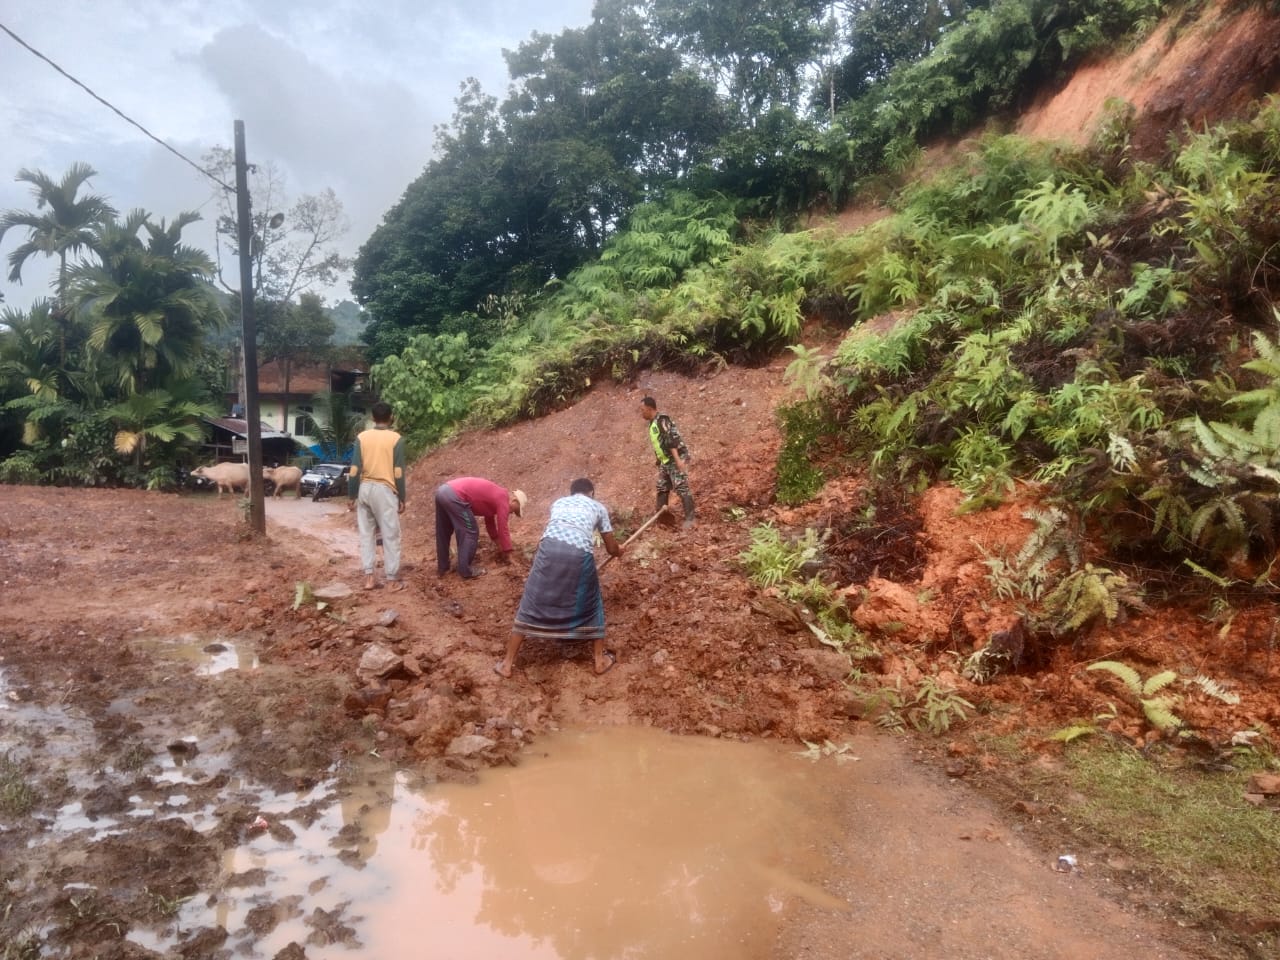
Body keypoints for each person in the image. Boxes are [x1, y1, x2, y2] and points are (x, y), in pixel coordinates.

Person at [496, 477, 623, 678]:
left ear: (572, 493)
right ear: (591, 493)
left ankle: (507, 663)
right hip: (579, 552)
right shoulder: (598, 507)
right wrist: (619, 551)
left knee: (532, 599)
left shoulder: (559, 503)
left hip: (547, 548)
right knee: (592, 600)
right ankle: (599, 660)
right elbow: (611, 548)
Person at [346, 401, 407, 591]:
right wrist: (402, 497)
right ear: (391, 418)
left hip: (364, 488)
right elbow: (398, 471)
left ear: (372, 418)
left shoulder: (362, 437)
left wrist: (351, 494)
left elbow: (355, 469)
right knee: (390, 534)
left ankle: (369, 578)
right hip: (385, 490)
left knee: (366, 534)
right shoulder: (396, 439)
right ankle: (391, 579)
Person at [435, 476, 527, 579]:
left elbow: (490, 524)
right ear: (515, 501)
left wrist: (499, 545)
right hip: (455, 496)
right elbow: (503, 528)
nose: (512, 513)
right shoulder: (503, 499)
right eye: (515, 510)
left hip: (443, 491)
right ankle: (465, 570)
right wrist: (509, 552)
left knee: (443, 531)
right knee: (470, 531)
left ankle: (443, 568)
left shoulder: (495, 496)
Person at [640, 395, 695, 528]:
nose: (641, 413)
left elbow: (671, 440)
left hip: (675, 458)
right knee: (662, 487)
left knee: (681, 486)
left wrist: (678, 461)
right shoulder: (652, 423)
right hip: (666, 461)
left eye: (642, 410)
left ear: (649, 408)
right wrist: (658, 459)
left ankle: (690, 519)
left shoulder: (662, 420)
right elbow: (659, 443)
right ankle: (662, 518)